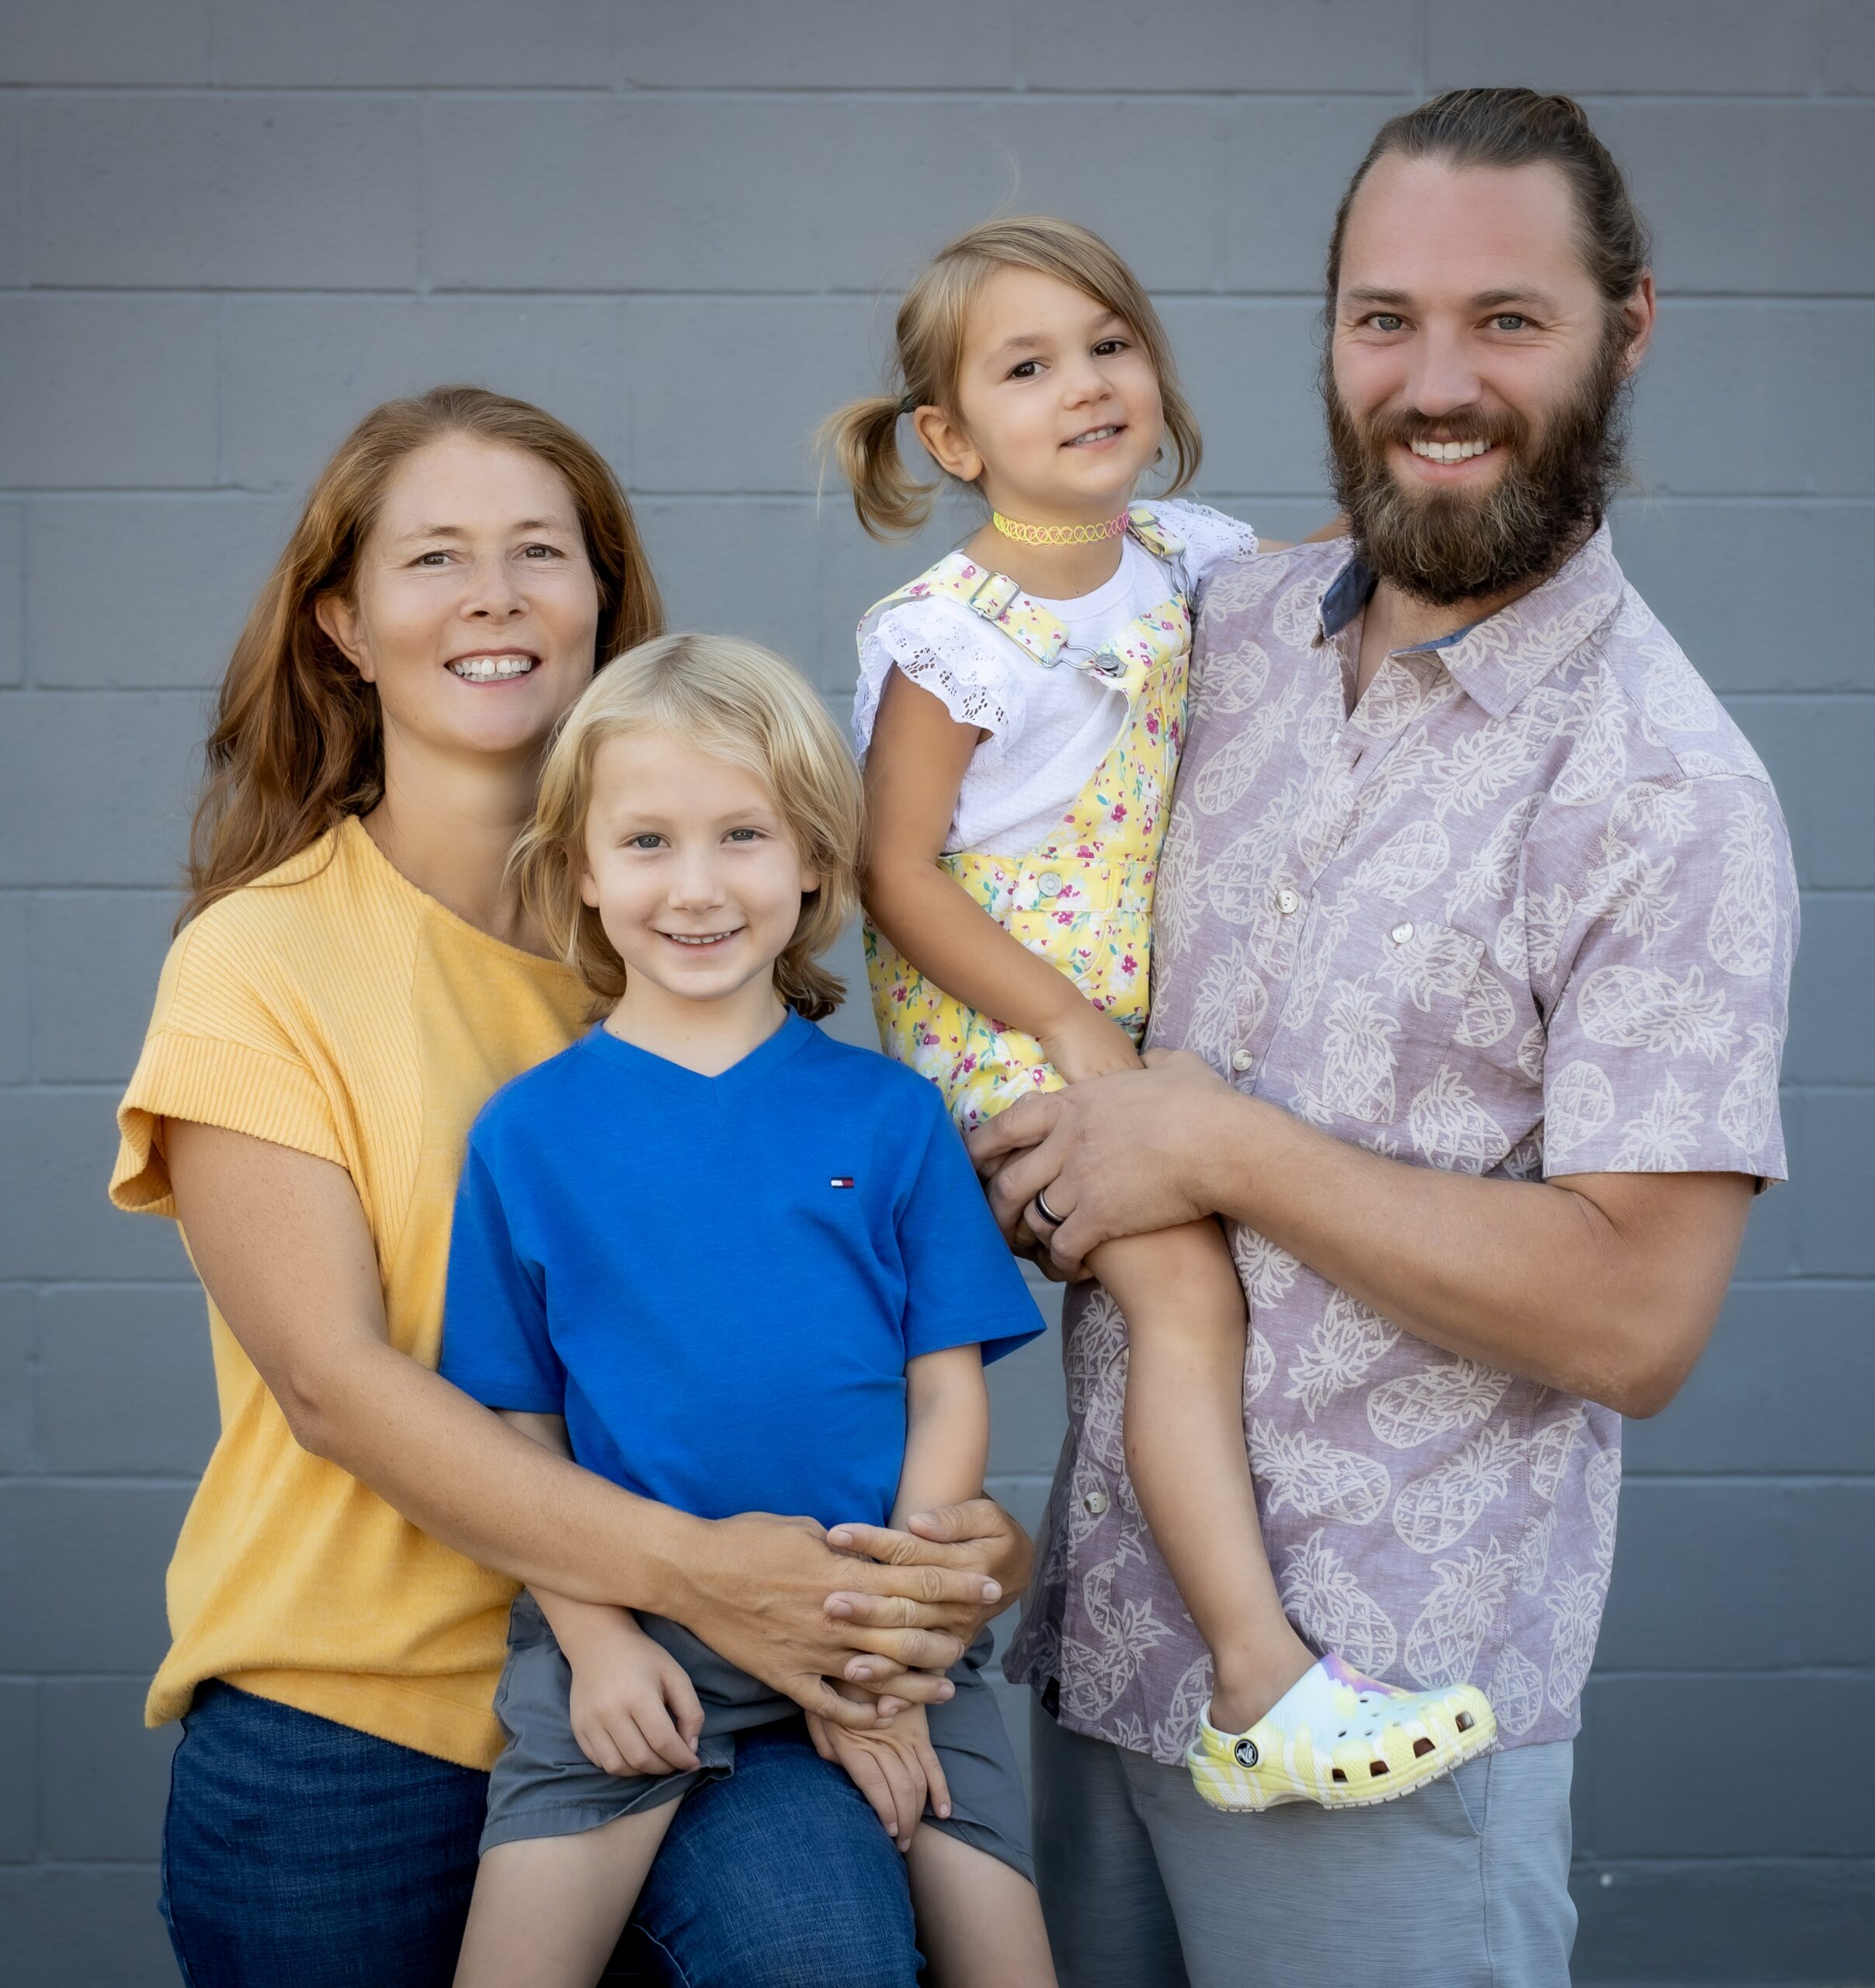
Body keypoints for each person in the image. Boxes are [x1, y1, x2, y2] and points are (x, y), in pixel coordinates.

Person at [972, 91, 1798, 1987]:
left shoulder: (1664, 792)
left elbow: (1632, 1317)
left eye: (1505, 320)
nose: (1435, 381)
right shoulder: (1221, 632)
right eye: (1381, 318)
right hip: (1105, 1651)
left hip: (1389, 1719)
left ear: (1626, 327)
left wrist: (1217, 1147)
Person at [109, 387, 1031, 1988]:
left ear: (599, 598)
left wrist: (911, 1579)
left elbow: (848, 1373)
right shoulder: (258, 962)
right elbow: (335, 1385)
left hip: (728, 1695)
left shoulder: (700, 967)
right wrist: (711, 1585)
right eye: (435, 557)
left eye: (540, 550)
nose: (493, 593)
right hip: (358, 1718)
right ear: (343, 621)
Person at [823, 214, 1491, 1810]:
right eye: (1027, 365)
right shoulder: (946, 635)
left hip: (1136, 1015)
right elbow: (895, 875)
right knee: (1185, 1294)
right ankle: (1258, 1683)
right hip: (1012, 1026)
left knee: (1216, 1284)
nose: (1084, 382)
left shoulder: (1190, 552)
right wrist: (1066, 1037)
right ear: (949, 433)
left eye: (1108, 343)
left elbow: (1340, 564)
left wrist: (1453, 482)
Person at [439, 634, 1058, 1988]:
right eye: (649, 842)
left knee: (1009, 1959)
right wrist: (596, 1645)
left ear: (815, 864)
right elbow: (516, 1432)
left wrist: (891, 1643)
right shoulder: (531, 1135)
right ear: (583, 875)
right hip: (630, 1622)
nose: (699, 886)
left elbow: (947, 1389)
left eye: (743, 836)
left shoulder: (887, 1117)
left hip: (872, 1615)